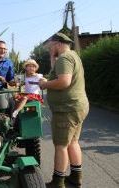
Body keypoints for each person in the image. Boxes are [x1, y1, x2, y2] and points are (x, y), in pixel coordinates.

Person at [39, 32, 89, 188]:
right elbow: (58, 72)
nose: (49, 50)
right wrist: (52, 57)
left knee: (61, 146)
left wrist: (44, 85)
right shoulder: (72, 55)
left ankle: (58, 182)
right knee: (73, 142)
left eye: (50, 47)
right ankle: (75, 177)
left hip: (66, 109)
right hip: (77, 106)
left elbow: (64, 82)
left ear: (58, 44)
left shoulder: (64, 58)